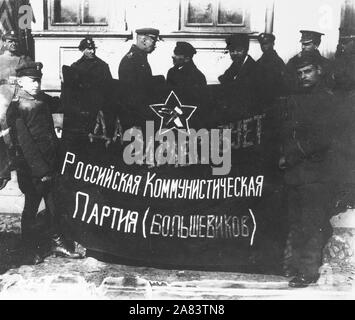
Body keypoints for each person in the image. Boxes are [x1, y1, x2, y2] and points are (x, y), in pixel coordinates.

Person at [6, 61, 84, 264]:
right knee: (31, 207)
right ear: (20, 82)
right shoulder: (17, 108)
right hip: (32, 169)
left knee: (54, 205)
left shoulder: (41, 99)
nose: (36, 85)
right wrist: (41, 171)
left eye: (38, 81)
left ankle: (57, 242)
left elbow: (61, 105)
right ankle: (28, 248)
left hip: (50, 164)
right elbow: (26, 144)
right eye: (32, 81)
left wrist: (69, 84)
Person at [279, 53, 337, 288]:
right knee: (297, 220)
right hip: (297, 173)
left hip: (317, 173)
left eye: (308, 71)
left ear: (319, 71)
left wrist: (290, 155)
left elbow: (323, 139)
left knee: (312, 222)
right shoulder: (297, 98)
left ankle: (308, 271)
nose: (303, 76)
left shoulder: (327, 100)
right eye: (300, 73)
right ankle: (294, 265)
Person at [0, 31, 32, 191]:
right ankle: (4, 169)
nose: (13, 44)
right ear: (4, 41)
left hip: (19, 94)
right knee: (3, 125)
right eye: (9, 41)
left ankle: (21, 164)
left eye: (15, 41)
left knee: (21, 126)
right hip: (3, 94)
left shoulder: (23, 59)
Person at [256, 33, 287, 102]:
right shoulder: (259, 62)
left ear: (273, 43)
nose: (264, 46)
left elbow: (283, 84)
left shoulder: (278, 62)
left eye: (266, 43)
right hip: (260, 99)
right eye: (262, 44)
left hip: (274, 99)